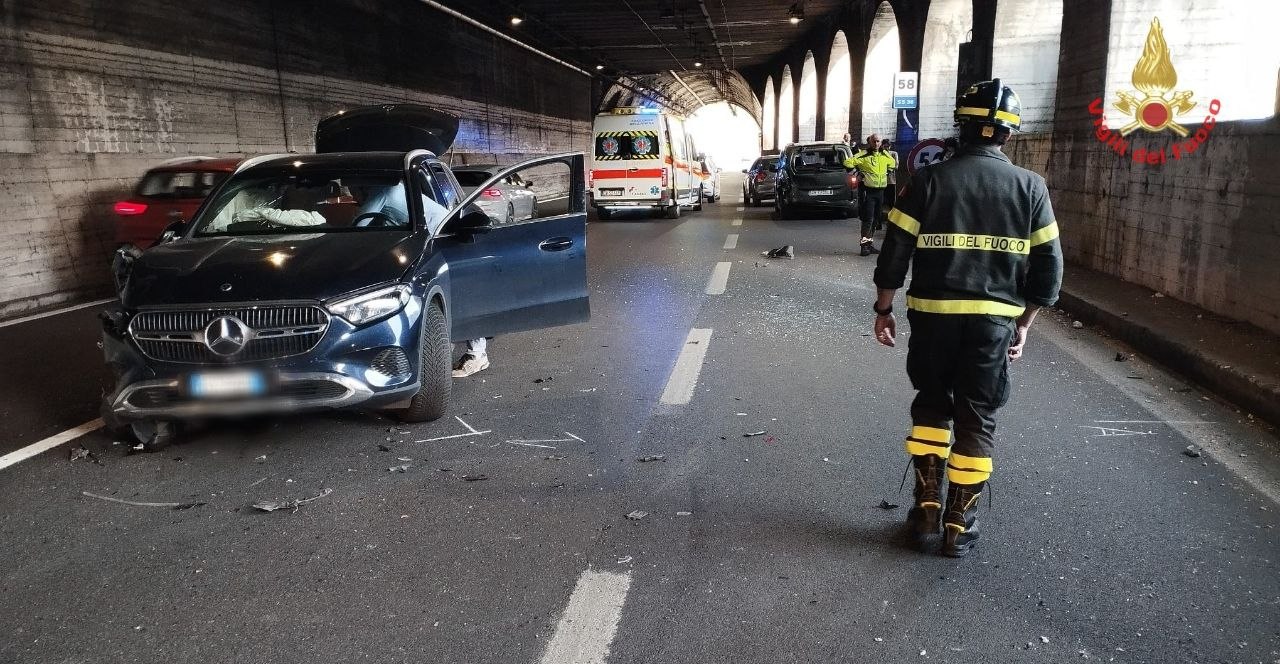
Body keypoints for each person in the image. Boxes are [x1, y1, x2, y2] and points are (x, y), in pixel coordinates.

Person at [870, 79, 1063, 557]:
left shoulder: (928, 181)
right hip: (993, 322)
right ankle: (960, 522)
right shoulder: (1030, 188)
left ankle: (927, 506)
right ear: (1008, 135)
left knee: (932, 402)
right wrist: (1024, 324)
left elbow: (895, 250)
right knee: (977, 415)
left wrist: (884, 307)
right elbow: (1049, 271)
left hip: (933, 316)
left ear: (962, 126)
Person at [843, 134, 897, 256]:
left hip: (881, 192)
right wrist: (858, 173)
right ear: (870, 142)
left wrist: (888, 172)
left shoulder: (884, 154)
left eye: (878, 141)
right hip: (869, 192)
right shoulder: (864, 154)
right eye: (874, 141)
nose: (876, 143)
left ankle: (869, 244)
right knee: (868, 219)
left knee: (876, 220)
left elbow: (893, 163)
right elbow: (847, 163)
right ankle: (864, 246)